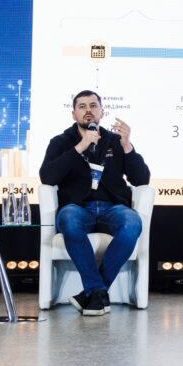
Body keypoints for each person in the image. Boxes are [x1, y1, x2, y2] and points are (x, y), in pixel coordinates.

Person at [39, 90, 150, 316]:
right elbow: (47, 177)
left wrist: (128, 147)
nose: (88, 110)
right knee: (68, 218)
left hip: (113, 208)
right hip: (78, 208)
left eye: (93, 105)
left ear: (102, 112)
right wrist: (80, 147)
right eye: (82, 106)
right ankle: (98, 291)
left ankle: (94, 292)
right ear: (73, 114)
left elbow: (142, 179)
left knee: (133, 222)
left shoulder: (116, 141)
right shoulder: (60, 142)